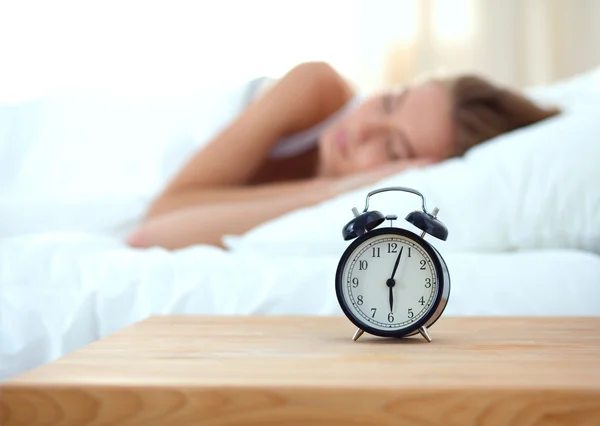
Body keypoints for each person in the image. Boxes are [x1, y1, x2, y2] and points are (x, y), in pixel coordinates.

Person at [126, 61, 559, 250]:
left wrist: (337, 190)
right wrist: (333, 186)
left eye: (393, 149)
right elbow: (161, 216)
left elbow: (159, 232)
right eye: (389, 101)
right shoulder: (316, 88)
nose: (364, 127)